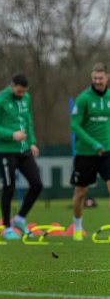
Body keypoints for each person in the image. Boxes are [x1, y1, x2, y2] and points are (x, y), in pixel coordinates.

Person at [0, 73, 43, 240]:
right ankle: (7, 227)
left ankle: (20, 218)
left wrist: (32, 142)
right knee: (9, 188)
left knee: (37, 184)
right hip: (5, 149)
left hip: (23, 150)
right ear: (11, 86)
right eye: (18, 91)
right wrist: (12, 135)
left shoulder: (26, 98)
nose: (21, 94)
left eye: (24, 92)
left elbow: (28, 120)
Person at [69, 63, 110, 241]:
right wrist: (93, 143)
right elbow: (74, 126)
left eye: (100, 78)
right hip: (86, 152)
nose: (98, 81)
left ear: (107, 77)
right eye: (95, 78)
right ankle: (77, 227)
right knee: (80, 193)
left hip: (107, 151)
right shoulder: (83, 99)